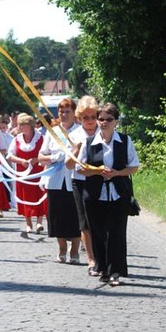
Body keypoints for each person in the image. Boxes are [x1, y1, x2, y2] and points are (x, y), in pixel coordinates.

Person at [76, 103, 140, 286]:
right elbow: (81, 169)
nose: (104, 123)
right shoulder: (89, 143)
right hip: (95, 194)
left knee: (116, 233)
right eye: (101, 119)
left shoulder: (125, 141)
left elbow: (134, 166)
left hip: (119, 194)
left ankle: (115, 272)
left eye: (108, 119)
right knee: (97, 233)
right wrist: (97, 171)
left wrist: (116, 173)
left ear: (116, 122)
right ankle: (102, 268)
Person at [38, 98, 81, 263]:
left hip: (74, 180)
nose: (64, 114)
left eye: (67, 111)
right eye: (61, 111)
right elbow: (41, 157)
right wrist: (54, 157)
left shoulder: (80, 131)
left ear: (74, 113)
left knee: (75, 216)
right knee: (56, 216)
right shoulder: (52, 132)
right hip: (55, 180)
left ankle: (75, 249)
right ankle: (62, 247)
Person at [66, 96, 100, 273]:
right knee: (85, 223)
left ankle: (102, 256)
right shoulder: (74, 135)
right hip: (80, 182)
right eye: (85, 117)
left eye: (93, 117)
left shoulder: (104, 132)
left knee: (100, 221)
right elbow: (69, 165)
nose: (90, 121)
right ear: (79, 118)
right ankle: (91, 259)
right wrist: (76, 150)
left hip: (101, 181)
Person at [7, 113, 48, 234]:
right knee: (25, 196)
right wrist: (20, 161)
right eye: (20, 125)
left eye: (24, 125)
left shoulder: (41, 138)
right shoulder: (17, 139)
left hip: (38, 171)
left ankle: (39, 221)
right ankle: (28, 223)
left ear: (31, 126)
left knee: (39, 194)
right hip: (23, 173)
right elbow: (9, 155)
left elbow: (46, 154)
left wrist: (35, 160)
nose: (21, 127)